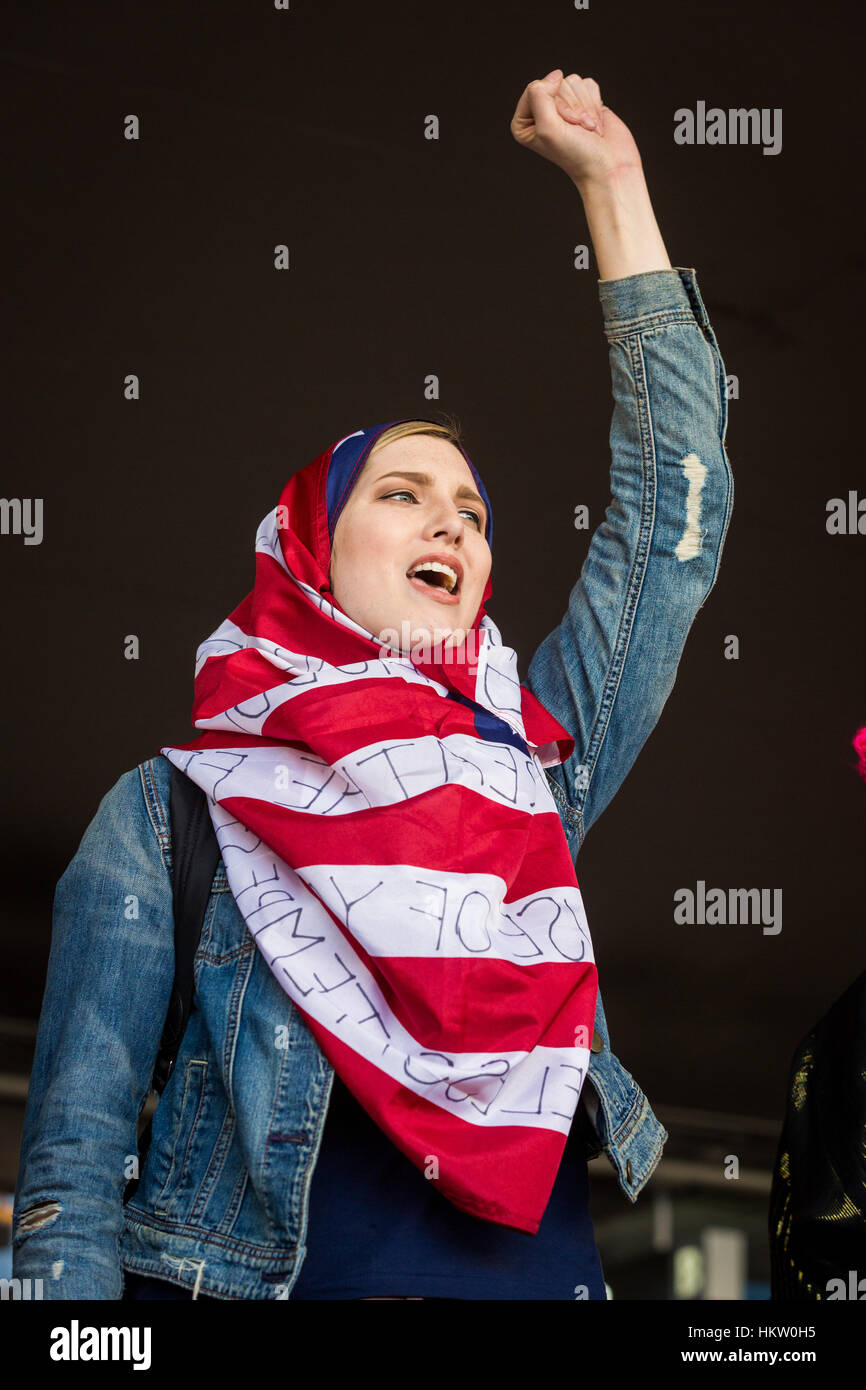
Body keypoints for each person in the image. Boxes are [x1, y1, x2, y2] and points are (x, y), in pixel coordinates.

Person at [12, 70, 733, 1299]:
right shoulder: (166, 818)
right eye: (400, 494)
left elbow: (673, 526)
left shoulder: (531, 765)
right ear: (307, 548)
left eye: (472, 511)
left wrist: (613, 183)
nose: (449, 520)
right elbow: (70, 1178)